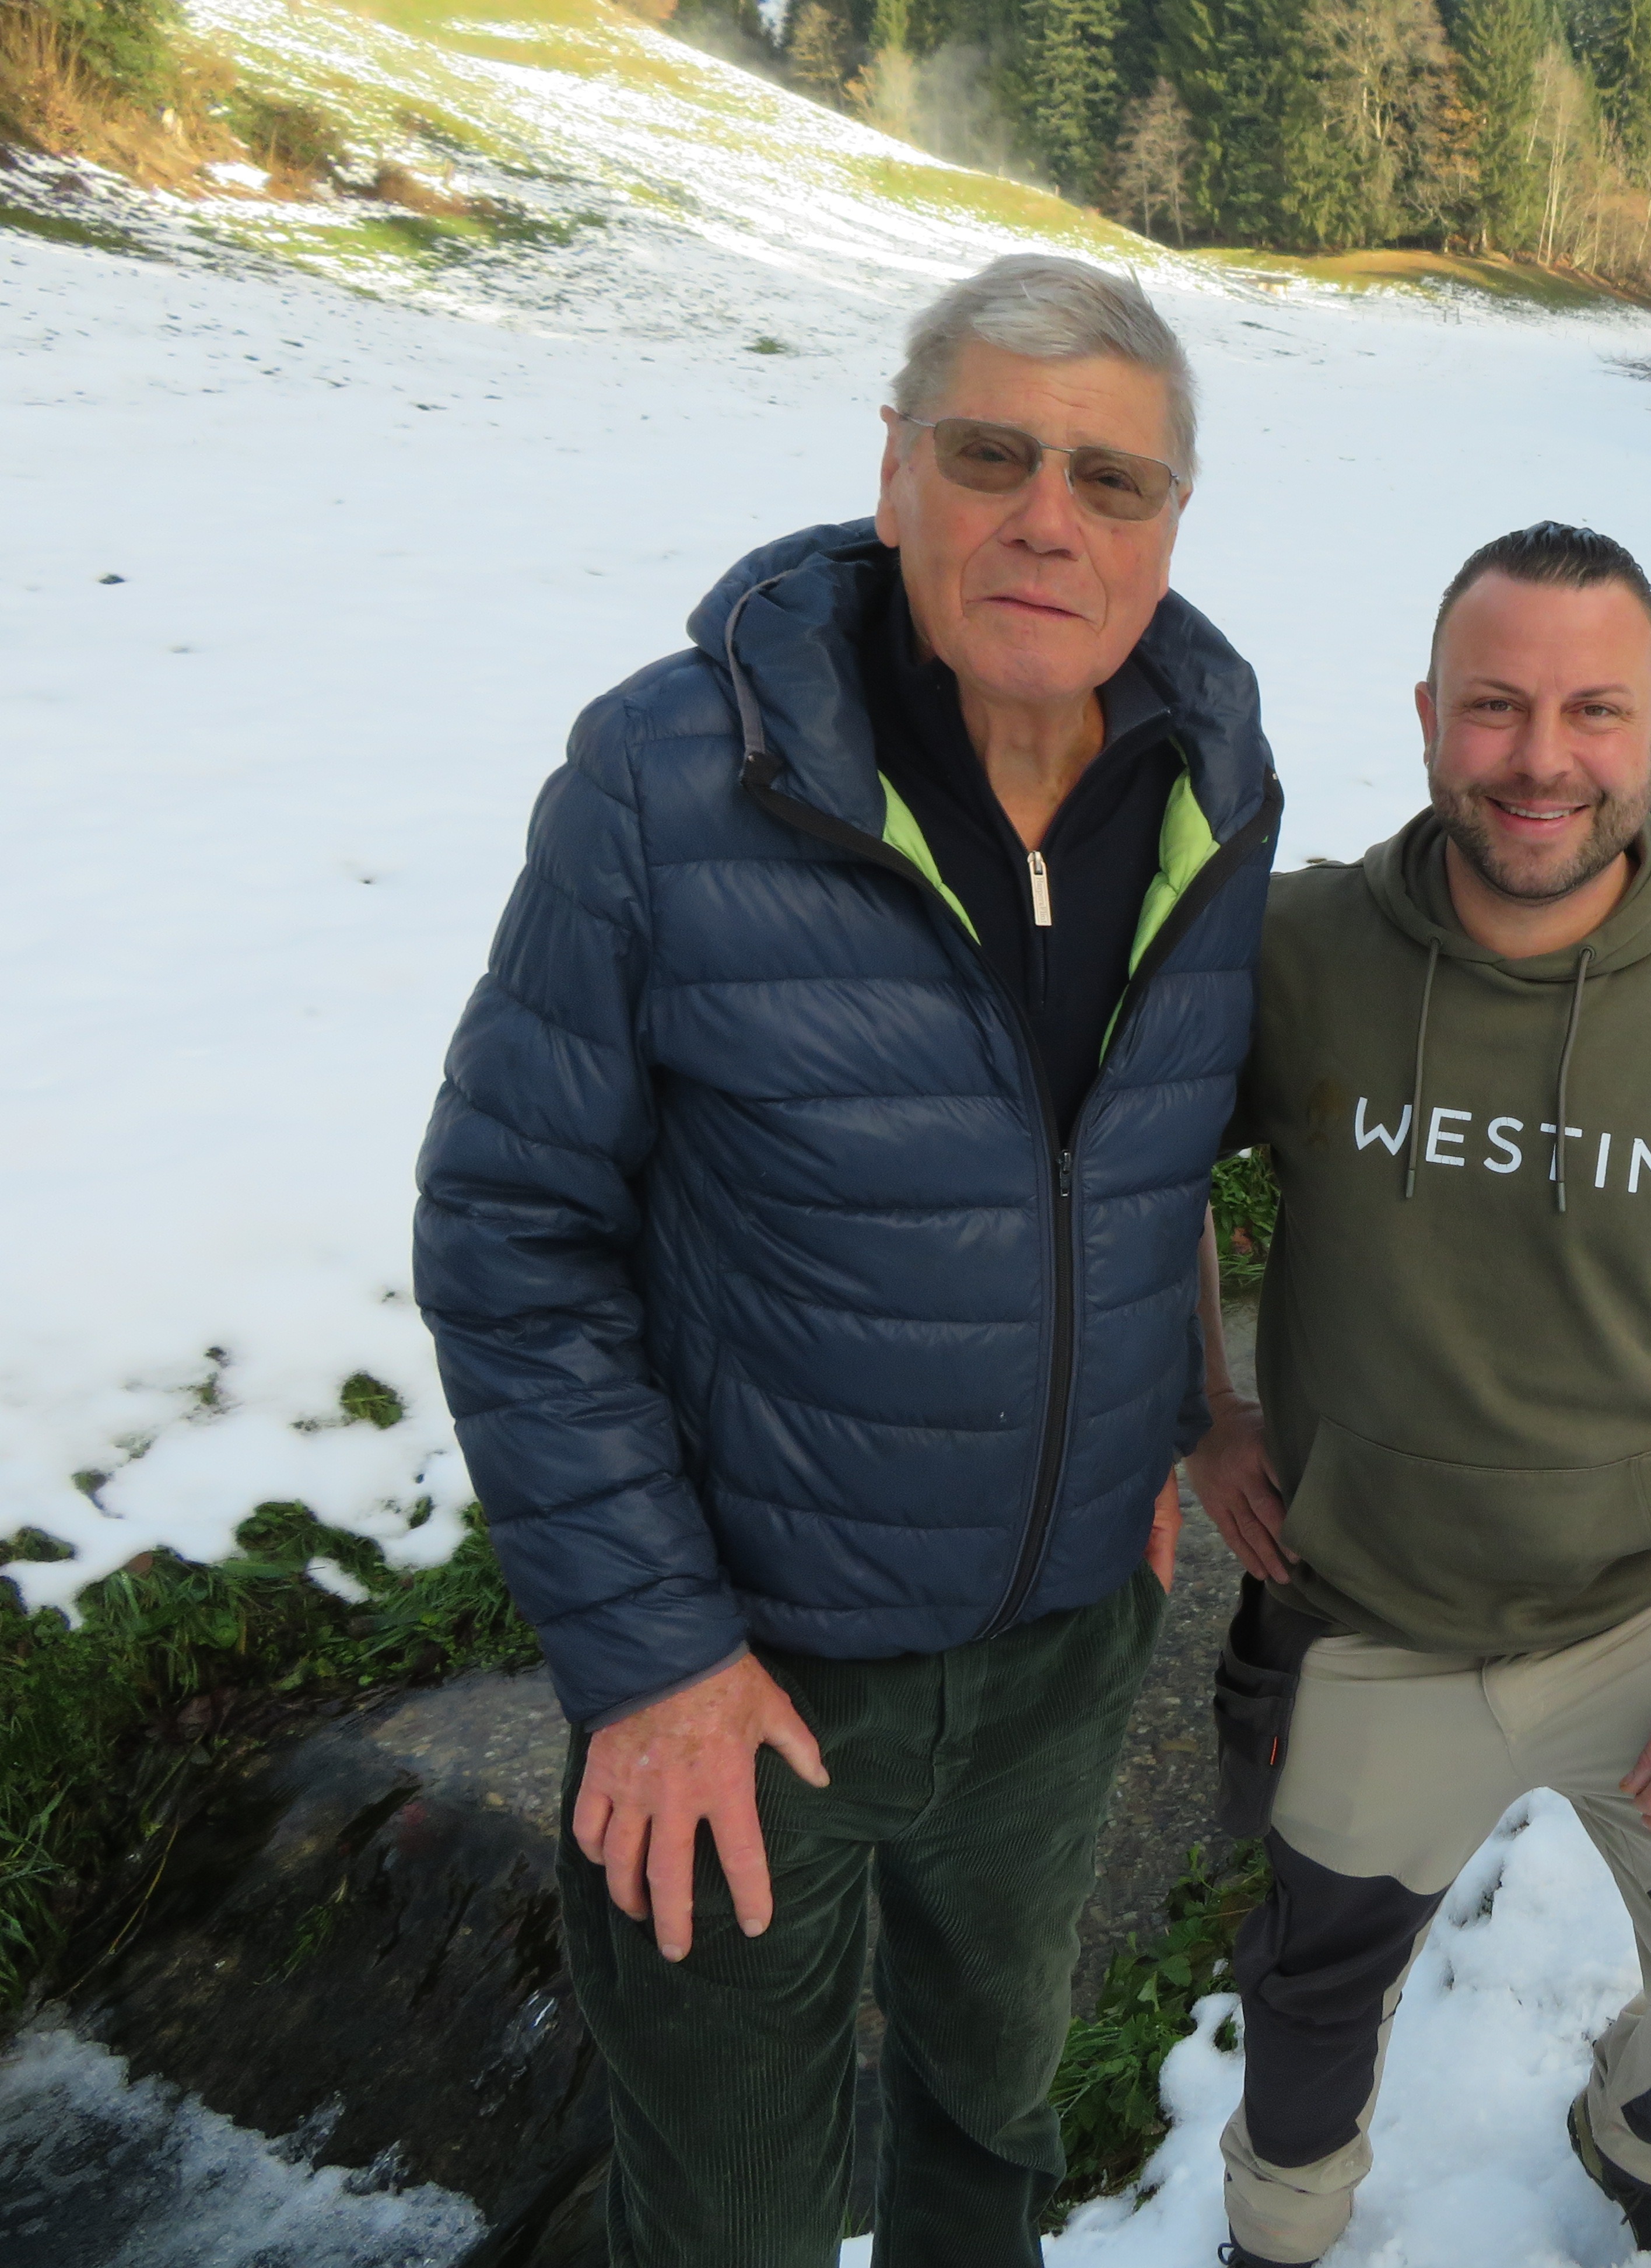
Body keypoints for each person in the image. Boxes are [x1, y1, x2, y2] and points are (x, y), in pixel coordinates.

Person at [413, 253, 1280, 2267]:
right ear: (896, 475)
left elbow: (1137, 1160)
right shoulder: (670, 777)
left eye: (1112, 480)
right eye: (993, 454)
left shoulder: (1215, 783)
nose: (1047, 516)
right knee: (731, 2206)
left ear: (1168, 526)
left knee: (989, 2124)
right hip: (750, 1677)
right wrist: (649, 1665)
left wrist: (1149, 1431)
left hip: (1065, 1653)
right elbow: (511, 1234)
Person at [1184, 523, 1651, 2264]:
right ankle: (1275, 2243)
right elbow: (1137, 1169)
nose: (1540, 759)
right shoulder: (1293, 953)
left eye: (1595, 711)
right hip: (1364, 1620)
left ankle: (1634, 2134)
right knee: (1302, 2045)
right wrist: (1200, 1413)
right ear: (1431, 718)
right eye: (1497, 707)